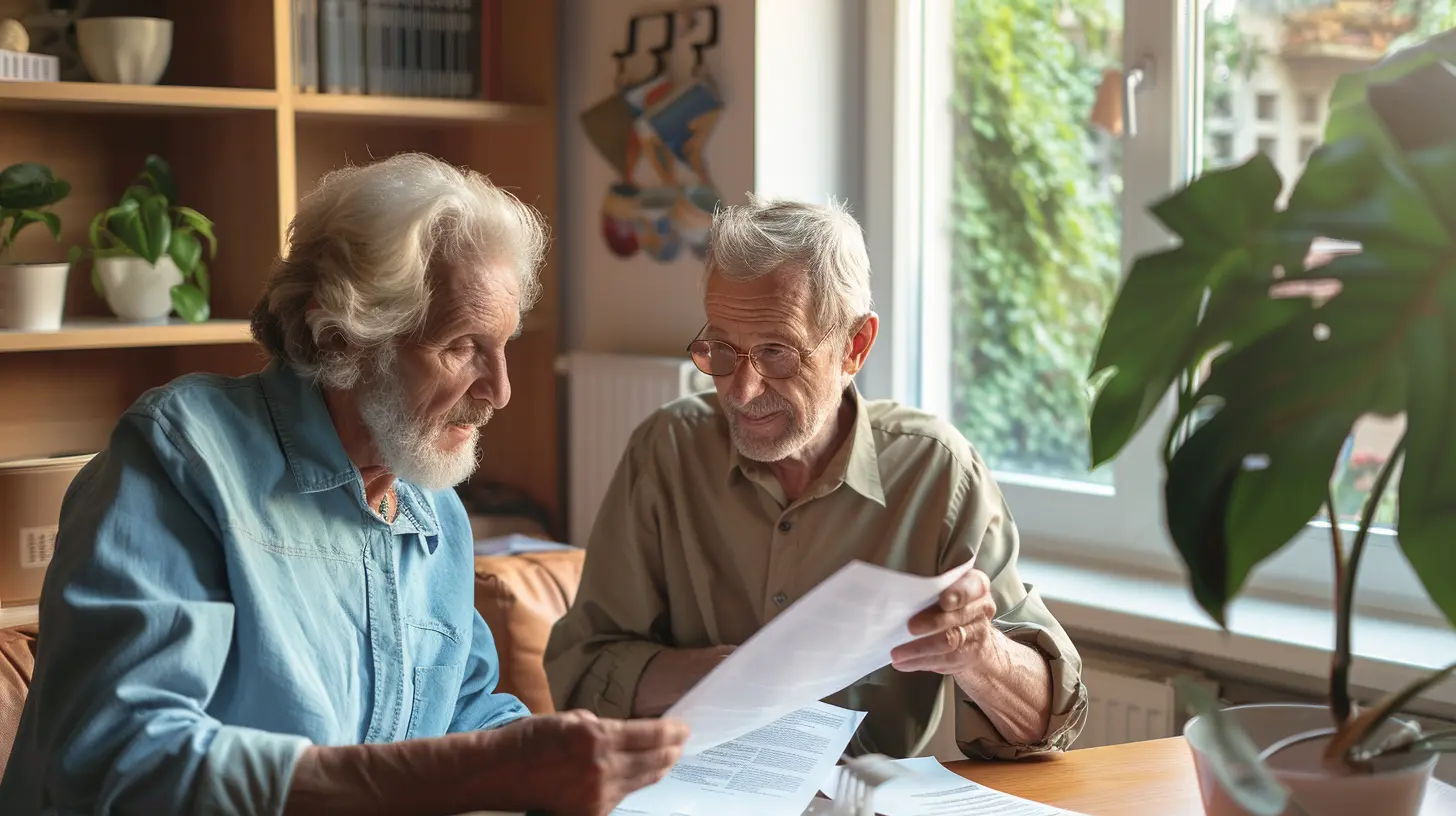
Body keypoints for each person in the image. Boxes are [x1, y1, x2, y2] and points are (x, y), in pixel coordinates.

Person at [0, 153, 686, 816]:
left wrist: (577, 763)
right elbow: (122, 759)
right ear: (343, 339)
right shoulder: (184, 456)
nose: (501, 392)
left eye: (505, 345)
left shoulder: (431, 508)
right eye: (461, 347)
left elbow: (463, 712)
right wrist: (469, 773)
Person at [545, 195, 1088, 760]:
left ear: (855, 346)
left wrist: (979, 653)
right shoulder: (668, 451)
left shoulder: (936, 473)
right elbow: (581, 670)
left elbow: (1049, 724)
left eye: (776, 353)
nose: (740, 390)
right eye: (722, 349)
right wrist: (729, 677)